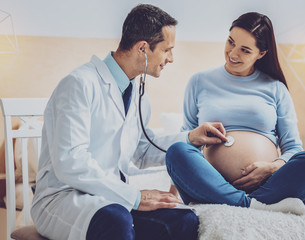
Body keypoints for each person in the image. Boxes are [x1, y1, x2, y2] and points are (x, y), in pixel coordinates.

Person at [31, 4, 228, 240]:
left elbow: (142, 151)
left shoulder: (137, 95)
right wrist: (135, 196)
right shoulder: (79, 84)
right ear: (143, 48)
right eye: (167, 50)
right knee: (115, 219)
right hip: (63, 198)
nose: (171, 58)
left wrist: (190, 137)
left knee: (184, 219)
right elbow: (70, 162)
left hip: (110, 198)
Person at [165, 12, 305, 215]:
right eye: (230, 42)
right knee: (177, 151)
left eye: (244, 50)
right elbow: (187, 138)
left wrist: (272, 167)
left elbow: (293, 148)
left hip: (268, 184)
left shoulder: (276, 88)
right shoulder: (199, 82)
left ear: (261, 53)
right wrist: (174, 190)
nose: (233, 53)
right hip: (211, 183)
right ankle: (253, 205)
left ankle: (241, 202)